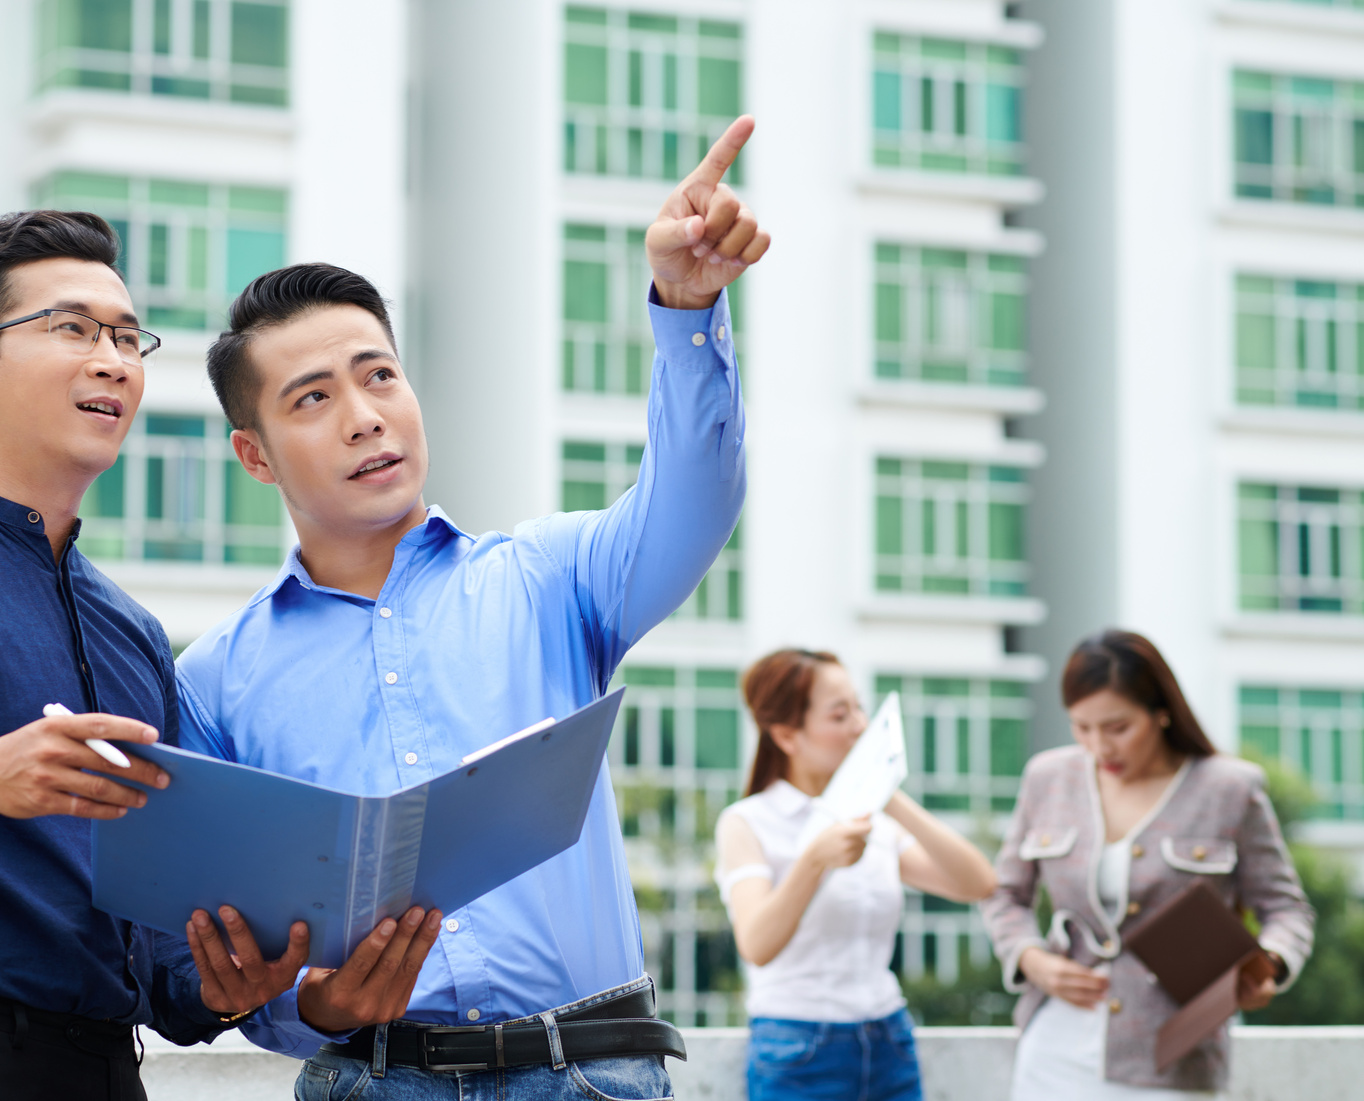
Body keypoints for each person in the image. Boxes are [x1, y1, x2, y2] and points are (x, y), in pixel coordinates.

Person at [0, 210, 434, 1101]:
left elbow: (167, 972)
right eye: (72, 328)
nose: (114, 359)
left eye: (127, 336)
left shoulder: (133, 631)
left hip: (109, 1071)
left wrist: (256, 982)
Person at [170, 117, 767, 1098]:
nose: (365, 415)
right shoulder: (213, 680)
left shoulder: (546, 576)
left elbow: (697, 496)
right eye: (312, 399)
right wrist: (316, 1004)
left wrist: (686, 306)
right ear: (254, 454)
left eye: (379, 376)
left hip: (586, 1075)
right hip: (372, 1080)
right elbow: (225, 941)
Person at [981, 630, 1315, 1098]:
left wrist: (1270, 965)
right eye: (1082, 728)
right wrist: (1031, 958)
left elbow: (1287, 910)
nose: (1100, 747)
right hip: (1054, 1047)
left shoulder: (1229, 789)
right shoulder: (1047, 778)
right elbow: (1004, 893)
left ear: (1160, 713)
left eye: (1117, 728)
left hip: (1174, 1057)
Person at [714, 649, 998, 1101]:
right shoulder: (747, 821)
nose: (859, 726)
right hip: (798, 1048)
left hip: (889, 1039)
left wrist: (887, 790)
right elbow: (757, 944)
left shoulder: (876, 821)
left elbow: (977, 883)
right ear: (787, 735)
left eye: (859, 708)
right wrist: (813, 862)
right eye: (839, 714)